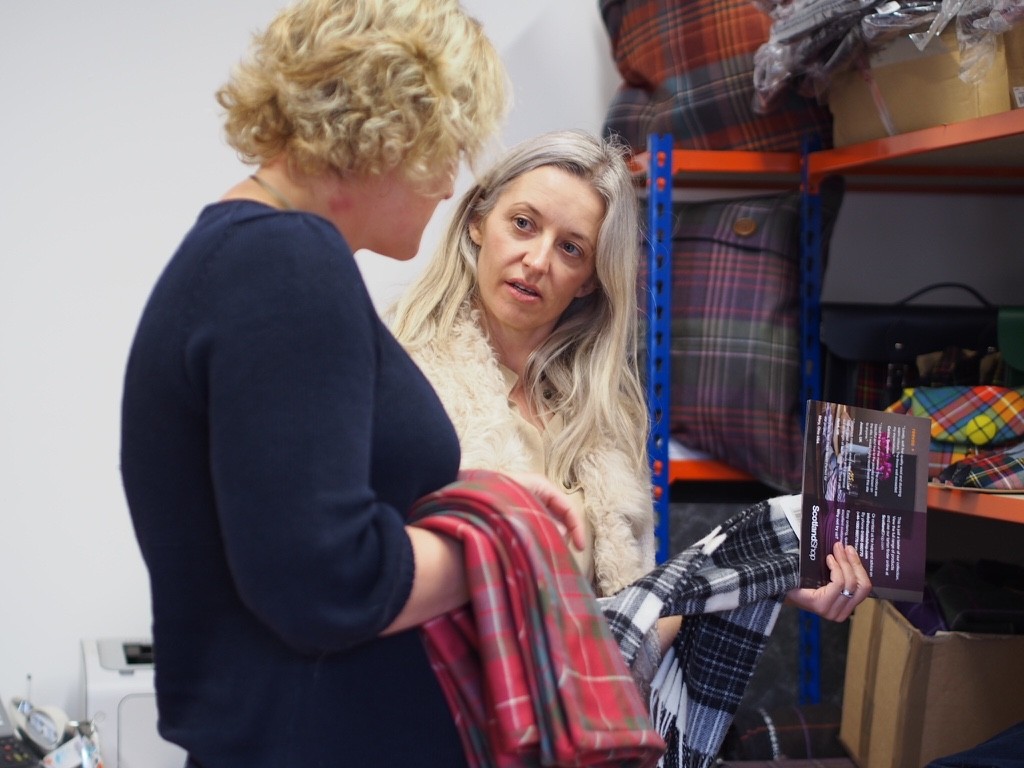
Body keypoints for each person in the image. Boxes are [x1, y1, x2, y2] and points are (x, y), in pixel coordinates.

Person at [119, 2, 585, 766]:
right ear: (393, 131)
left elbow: (300, 504)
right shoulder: (285, 264)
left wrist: (497, 498)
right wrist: (512, 541)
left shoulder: (244, 256)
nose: (448, 187)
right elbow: (329, 585)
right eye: (451, 148)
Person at [389, 128, 871, 619]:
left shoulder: (605, 416)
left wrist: (765, 581)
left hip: (582, 687)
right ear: (477, 223)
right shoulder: (403, 381)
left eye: (571, 249)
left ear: (588, 283)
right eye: (522, 224)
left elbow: (640, 617)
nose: (537, 261)